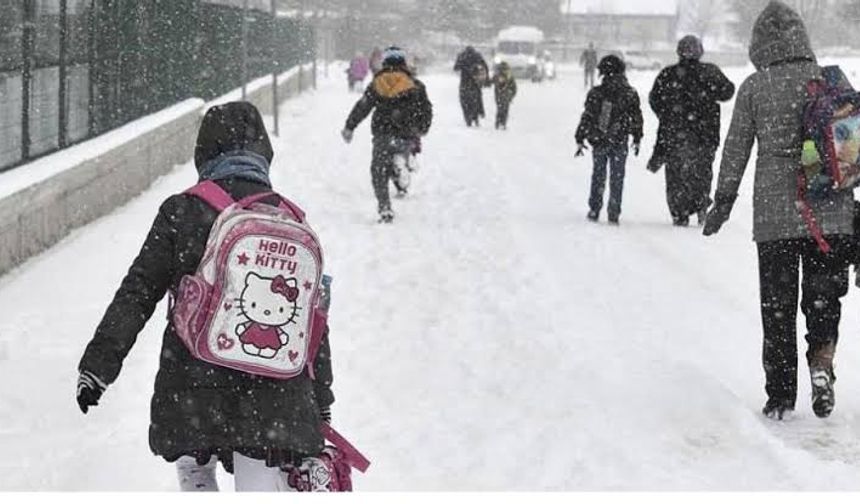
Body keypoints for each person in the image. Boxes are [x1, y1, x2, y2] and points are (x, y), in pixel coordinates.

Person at [75, 102, 335, 491]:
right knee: (260, 476)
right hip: (273, 392)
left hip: (193, 383)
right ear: (263, 152)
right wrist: (321, 397)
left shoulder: (182, 210)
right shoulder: (289, 219)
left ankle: (197, 478)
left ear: (204, 152)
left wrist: (98, 365)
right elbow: (310, 320)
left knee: (195, 466)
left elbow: (138, 290)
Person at [703, 1, 853, 421]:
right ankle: (822, 365)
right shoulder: (827, 82)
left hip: (775, 219)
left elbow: (735, 150)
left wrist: (723, 202)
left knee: (778, 307)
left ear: (759, 43)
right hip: (831, 213)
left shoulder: (755, 86)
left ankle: (781, 396)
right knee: (823, 300)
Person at [649, 35, 735, 227]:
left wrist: (667, 115)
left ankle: (679, 212)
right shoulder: (710, 72)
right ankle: (701, 203)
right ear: (700, 51)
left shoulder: (668, 74)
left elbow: (654, 99)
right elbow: (728, 91)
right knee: (702, 172)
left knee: (676, 175)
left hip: (674, 134)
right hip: (705, 134)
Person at [341, 47, 433, 224]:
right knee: (401, 154)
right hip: (407, 133)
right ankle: (404, 164)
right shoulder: (415, 85)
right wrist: (422, 128)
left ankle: (384, 206)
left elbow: (363, 107)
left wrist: (349, 127)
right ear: (403, 63)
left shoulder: (377, 83)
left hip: (383, 132)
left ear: (385, 62)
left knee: (379, 170)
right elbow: (426, 110)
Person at [575, 55, 643, 225]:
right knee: (617, 177)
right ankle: (614, 211)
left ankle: (594, 208)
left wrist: (580, 136)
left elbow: (588, 116)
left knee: (598, 174)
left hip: (600, 139)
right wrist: (637, 136)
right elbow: (637, 117)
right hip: (620, 140)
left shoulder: (597, 93)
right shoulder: (630, 93)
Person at [454, 46, 490, 127]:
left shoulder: (462, 56)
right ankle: (477, 115)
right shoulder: (477, 56)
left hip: (464, 82)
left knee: (464, 101)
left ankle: (468, 118)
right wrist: (486, 79)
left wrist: (463, 66)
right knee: (476, 99)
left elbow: (456, 68)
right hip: (475, 81)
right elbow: (485, 66)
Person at [493, 62, 518, 130]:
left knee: (502, 109)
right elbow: (514, 88)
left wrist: (511, 95)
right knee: (502, 109)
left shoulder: (508, 77)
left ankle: (501, 123)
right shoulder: (499, 76)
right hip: (503, 96)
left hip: (504, 96)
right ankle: (500, 123)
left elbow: (514, 88)